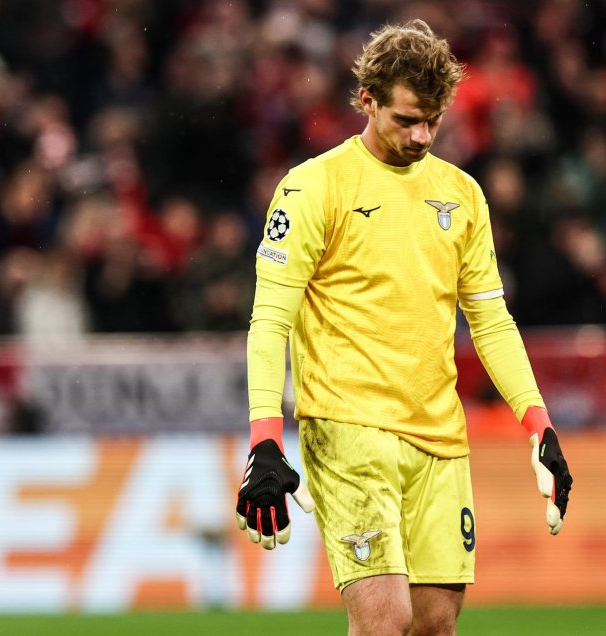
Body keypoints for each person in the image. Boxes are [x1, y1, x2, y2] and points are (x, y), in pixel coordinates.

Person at [235, 20, 573, 635]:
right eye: (406, 119)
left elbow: (491, 320)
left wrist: (539, 424)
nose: (422, 136)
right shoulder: (313, 188)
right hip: (349, 429)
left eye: (433, 121)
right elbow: (270, 319)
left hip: (439, 436)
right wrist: (264, 437)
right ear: (366, 101)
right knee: (384, 624)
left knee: (436, 625)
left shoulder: (462, 195)